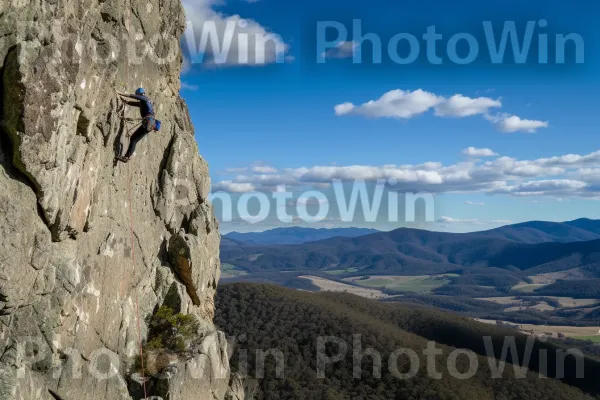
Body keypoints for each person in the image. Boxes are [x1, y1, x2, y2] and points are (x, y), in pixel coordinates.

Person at [115, 88, 162, 162]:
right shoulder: (143, 102)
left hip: (148, 122)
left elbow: (133, 96)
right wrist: (123, 100)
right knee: (133, 139)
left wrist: (120, 93)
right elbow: (130, 102)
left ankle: (126, 157)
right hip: (149, 124)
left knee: (134, 139)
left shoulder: (145, 99)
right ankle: (126, 157)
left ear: (139, 94)